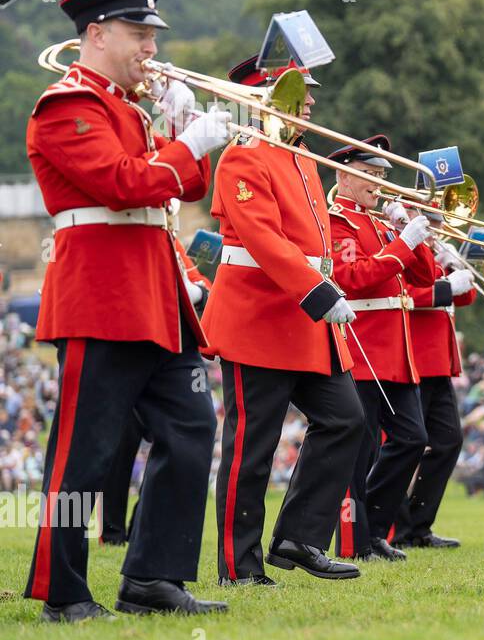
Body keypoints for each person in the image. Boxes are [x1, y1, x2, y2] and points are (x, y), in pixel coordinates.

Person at [25, 0, 230, 621]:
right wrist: (183, 144)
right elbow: (120, 184)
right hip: (101, 295)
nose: (150, 45)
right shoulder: (66, 105)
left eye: (152, 34)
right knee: (85, 451)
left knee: (192, 431)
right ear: (96, 34)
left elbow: (181, 185)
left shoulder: (133, 109)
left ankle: (152, 579)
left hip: (155, 295)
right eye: (138, 33)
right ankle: (63, 591)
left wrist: (183, 126)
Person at [203, 54, 363, 585]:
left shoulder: (301, 157)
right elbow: (264, 240)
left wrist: (328, 285)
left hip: (304, 319)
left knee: (346, 421)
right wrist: (318, 290)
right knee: (253, 447)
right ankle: (238, 566)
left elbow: (313, 243)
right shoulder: (243, 155)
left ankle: (298, 537)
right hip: (258, 318)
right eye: (300, 91)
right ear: (263, 97)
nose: (312, 101)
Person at [327, 136, 439, 562]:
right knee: (360, 449)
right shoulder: (339, 221)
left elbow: (425, 276)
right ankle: (355, 542)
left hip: (396, 350)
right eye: (369, 176)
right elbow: (354, 277)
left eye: (381, 176)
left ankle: (372, 529)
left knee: (413, 439)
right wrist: (401, 244)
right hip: (363, 343)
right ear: (344, 176)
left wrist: (409, 228)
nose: (378, 185)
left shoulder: (383, 222)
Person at [100, 231, 212, 546]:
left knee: (173, 444)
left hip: (165, 355)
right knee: (120, 449)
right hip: (126, 350)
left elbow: (203, 284)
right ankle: (112, 532)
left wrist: (196, 293)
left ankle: (138, 525)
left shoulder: (170, 240)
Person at [385, 220, 476, 549]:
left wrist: (453, 266)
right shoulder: (400, 241)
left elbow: (465, 297)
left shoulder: (432, 248)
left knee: (448, 441)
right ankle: (395, 529)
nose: (438, 224)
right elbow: (399, 294)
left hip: (439, 361)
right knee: (405, 443)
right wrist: (445, 288)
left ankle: (418, 526)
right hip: (413, 356)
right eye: (432, 217)